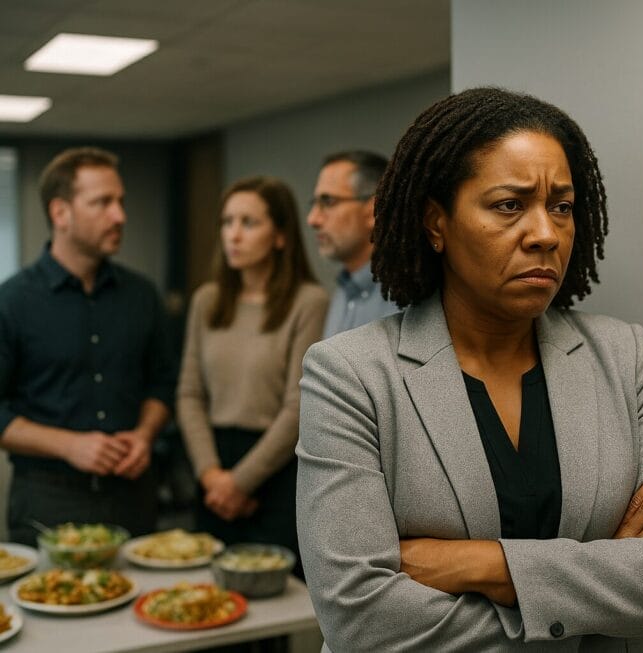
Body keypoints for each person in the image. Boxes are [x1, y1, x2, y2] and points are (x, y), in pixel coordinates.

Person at [297, 88, 643, 651]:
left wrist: (485, 566)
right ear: (436, 224)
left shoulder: (623, 356)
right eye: (509, 205)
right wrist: (603, 586)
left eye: (562, 206)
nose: (546, 234)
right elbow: (360, 619)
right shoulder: (350, 375)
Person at [0, 147, 175, 545]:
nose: (120, 216)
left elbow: (163, 383)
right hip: (47, 500)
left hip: (134, 494)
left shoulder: (142, 295)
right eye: (103, 203)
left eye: (121, 202)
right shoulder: (11, 302)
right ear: (60, 213)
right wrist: (70, 445)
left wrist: (145, 435)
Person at [177, 176, 327, 575]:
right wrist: (212, 476)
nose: (234, 235)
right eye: (227, 222)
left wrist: (239, 483)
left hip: (275, 469)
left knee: (271, 606)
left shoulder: (308, 302)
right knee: (210, 597)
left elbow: (299, 406)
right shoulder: (207, 300)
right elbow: (190, 393)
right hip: (211, 464)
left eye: (249, 223)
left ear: (280, 236)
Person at [306, 150, 398, 338]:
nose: (312, 219)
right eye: (314, 204)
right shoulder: (342, 292)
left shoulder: (403, 297)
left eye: (328, 202)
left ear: (373, 209)